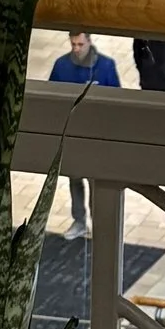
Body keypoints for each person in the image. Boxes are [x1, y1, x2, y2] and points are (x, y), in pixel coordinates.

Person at [46, 29, 120, 234]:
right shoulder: (61, 66)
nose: (76, 49)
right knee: (75, 179)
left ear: (89, 42)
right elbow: (51, 97)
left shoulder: (105, 66)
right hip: (72, 134)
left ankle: (100, 226)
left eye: (80, 44)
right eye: (73, 45)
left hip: (96, 135)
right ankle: (79, 221)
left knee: (96, 182)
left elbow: (115, 99)